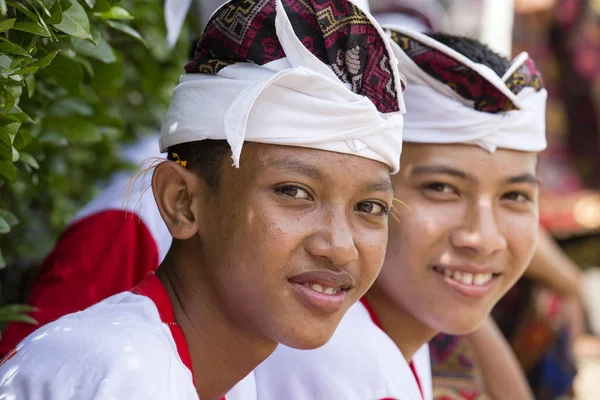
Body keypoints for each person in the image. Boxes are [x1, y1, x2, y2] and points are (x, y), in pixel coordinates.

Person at [0, 0, 407, 398]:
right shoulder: (124, 374)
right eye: (294, 192)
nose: (339, 247)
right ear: (181, 201)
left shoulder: (222, 375)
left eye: (369, 207)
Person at [253, 26, 547, 400]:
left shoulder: (394, 332)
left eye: (516, 196)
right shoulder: (340, 367)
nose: (483, 238)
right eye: (441, 188)